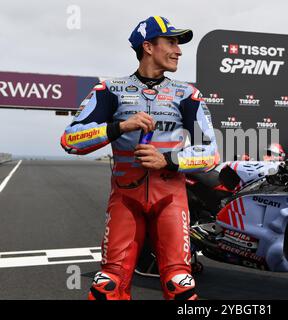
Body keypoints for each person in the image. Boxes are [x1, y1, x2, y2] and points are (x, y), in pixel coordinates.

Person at [60, 16, 219, 300]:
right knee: (108, 285)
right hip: (125, 199)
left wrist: (168, 160)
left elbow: (210, 154)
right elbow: (70, 140)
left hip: (171, 199)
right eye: (171, 42)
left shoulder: (187, 94)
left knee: (180, 285)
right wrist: (120, 126)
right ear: (148, 46)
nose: (178, 50)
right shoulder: (109, 90)